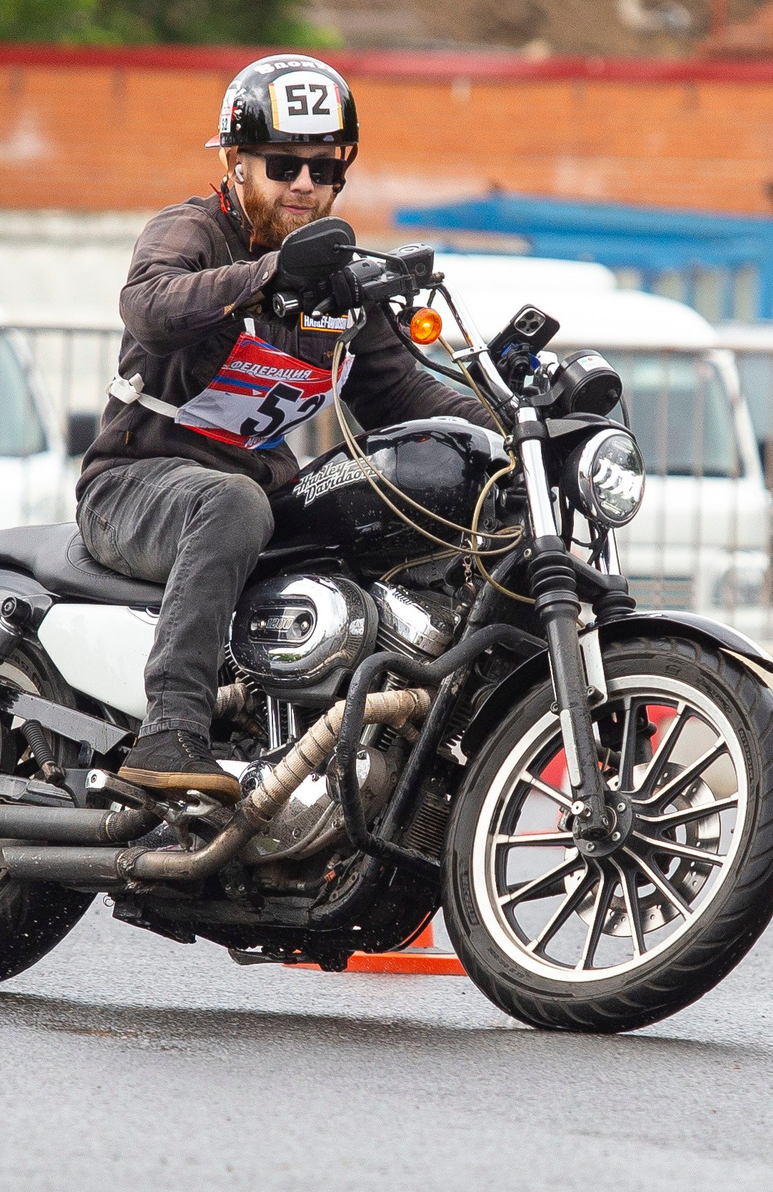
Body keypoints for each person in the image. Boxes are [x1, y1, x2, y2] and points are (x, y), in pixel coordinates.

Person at [75, 53, 490, 796]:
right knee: (230, 500)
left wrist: (517, 429)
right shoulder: (192, 231)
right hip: (135, 485)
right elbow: (151, 306)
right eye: (283, 164)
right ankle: (171, 730)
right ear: (237, 163)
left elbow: (400, 393)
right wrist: (270, 277)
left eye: (324, 170)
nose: (305, 184)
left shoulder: (337, 283)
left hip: (255, 500)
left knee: (370, 520)